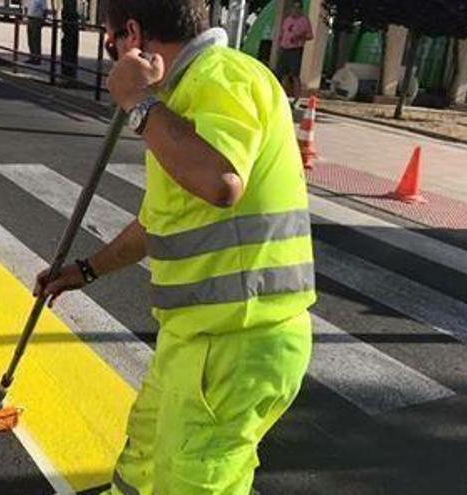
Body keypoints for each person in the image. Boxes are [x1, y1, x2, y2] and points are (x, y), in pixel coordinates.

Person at [34, 0, 316, 493]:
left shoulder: (223, 76)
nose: (109, 56)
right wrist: (86, 270)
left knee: (192, 481)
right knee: (142, 462)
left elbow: (220, 180)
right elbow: (158, 222)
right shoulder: (182, 98)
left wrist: (139, 102)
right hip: (195, 340)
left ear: (133, 35)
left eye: (109, 42)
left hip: (238, 343)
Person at [277, 0, 313, 103]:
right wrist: (281, 41)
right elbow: (283, 32)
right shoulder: (287, 20)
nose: (295, 11)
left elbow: (310, 36)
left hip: (295, 50)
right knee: (282, 74)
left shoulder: (304, 21)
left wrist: (299, 37)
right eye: (294, 8)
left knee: (295, 75)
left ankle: (297, 99)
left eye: (298, 8)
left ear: (301, 9)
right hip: (285, 48)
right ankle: (282, 96)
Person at [25, 0, 48, 65]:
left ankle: (37, 58)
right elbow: (27, 7)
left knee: (36, 39)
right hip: (30, 18)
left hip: (37, 19)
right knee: (30, 38)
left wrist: (43, 20)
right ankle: (32, 56)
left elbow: (45, 10)